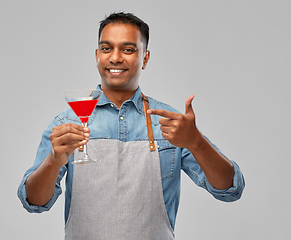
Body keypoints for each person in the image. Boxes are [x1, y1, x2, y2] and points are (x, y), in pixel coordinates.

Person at [17, 12, 245, 239]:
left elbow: (229, 189)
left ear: (145, 58)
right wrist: (53, 161)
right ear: (97, 56)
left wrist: (197, 142)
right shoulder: (67, 123)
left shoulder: (170, 123)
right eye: (106, 48)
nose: (115, 58)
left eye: (128, 49)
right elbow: (34, 203)